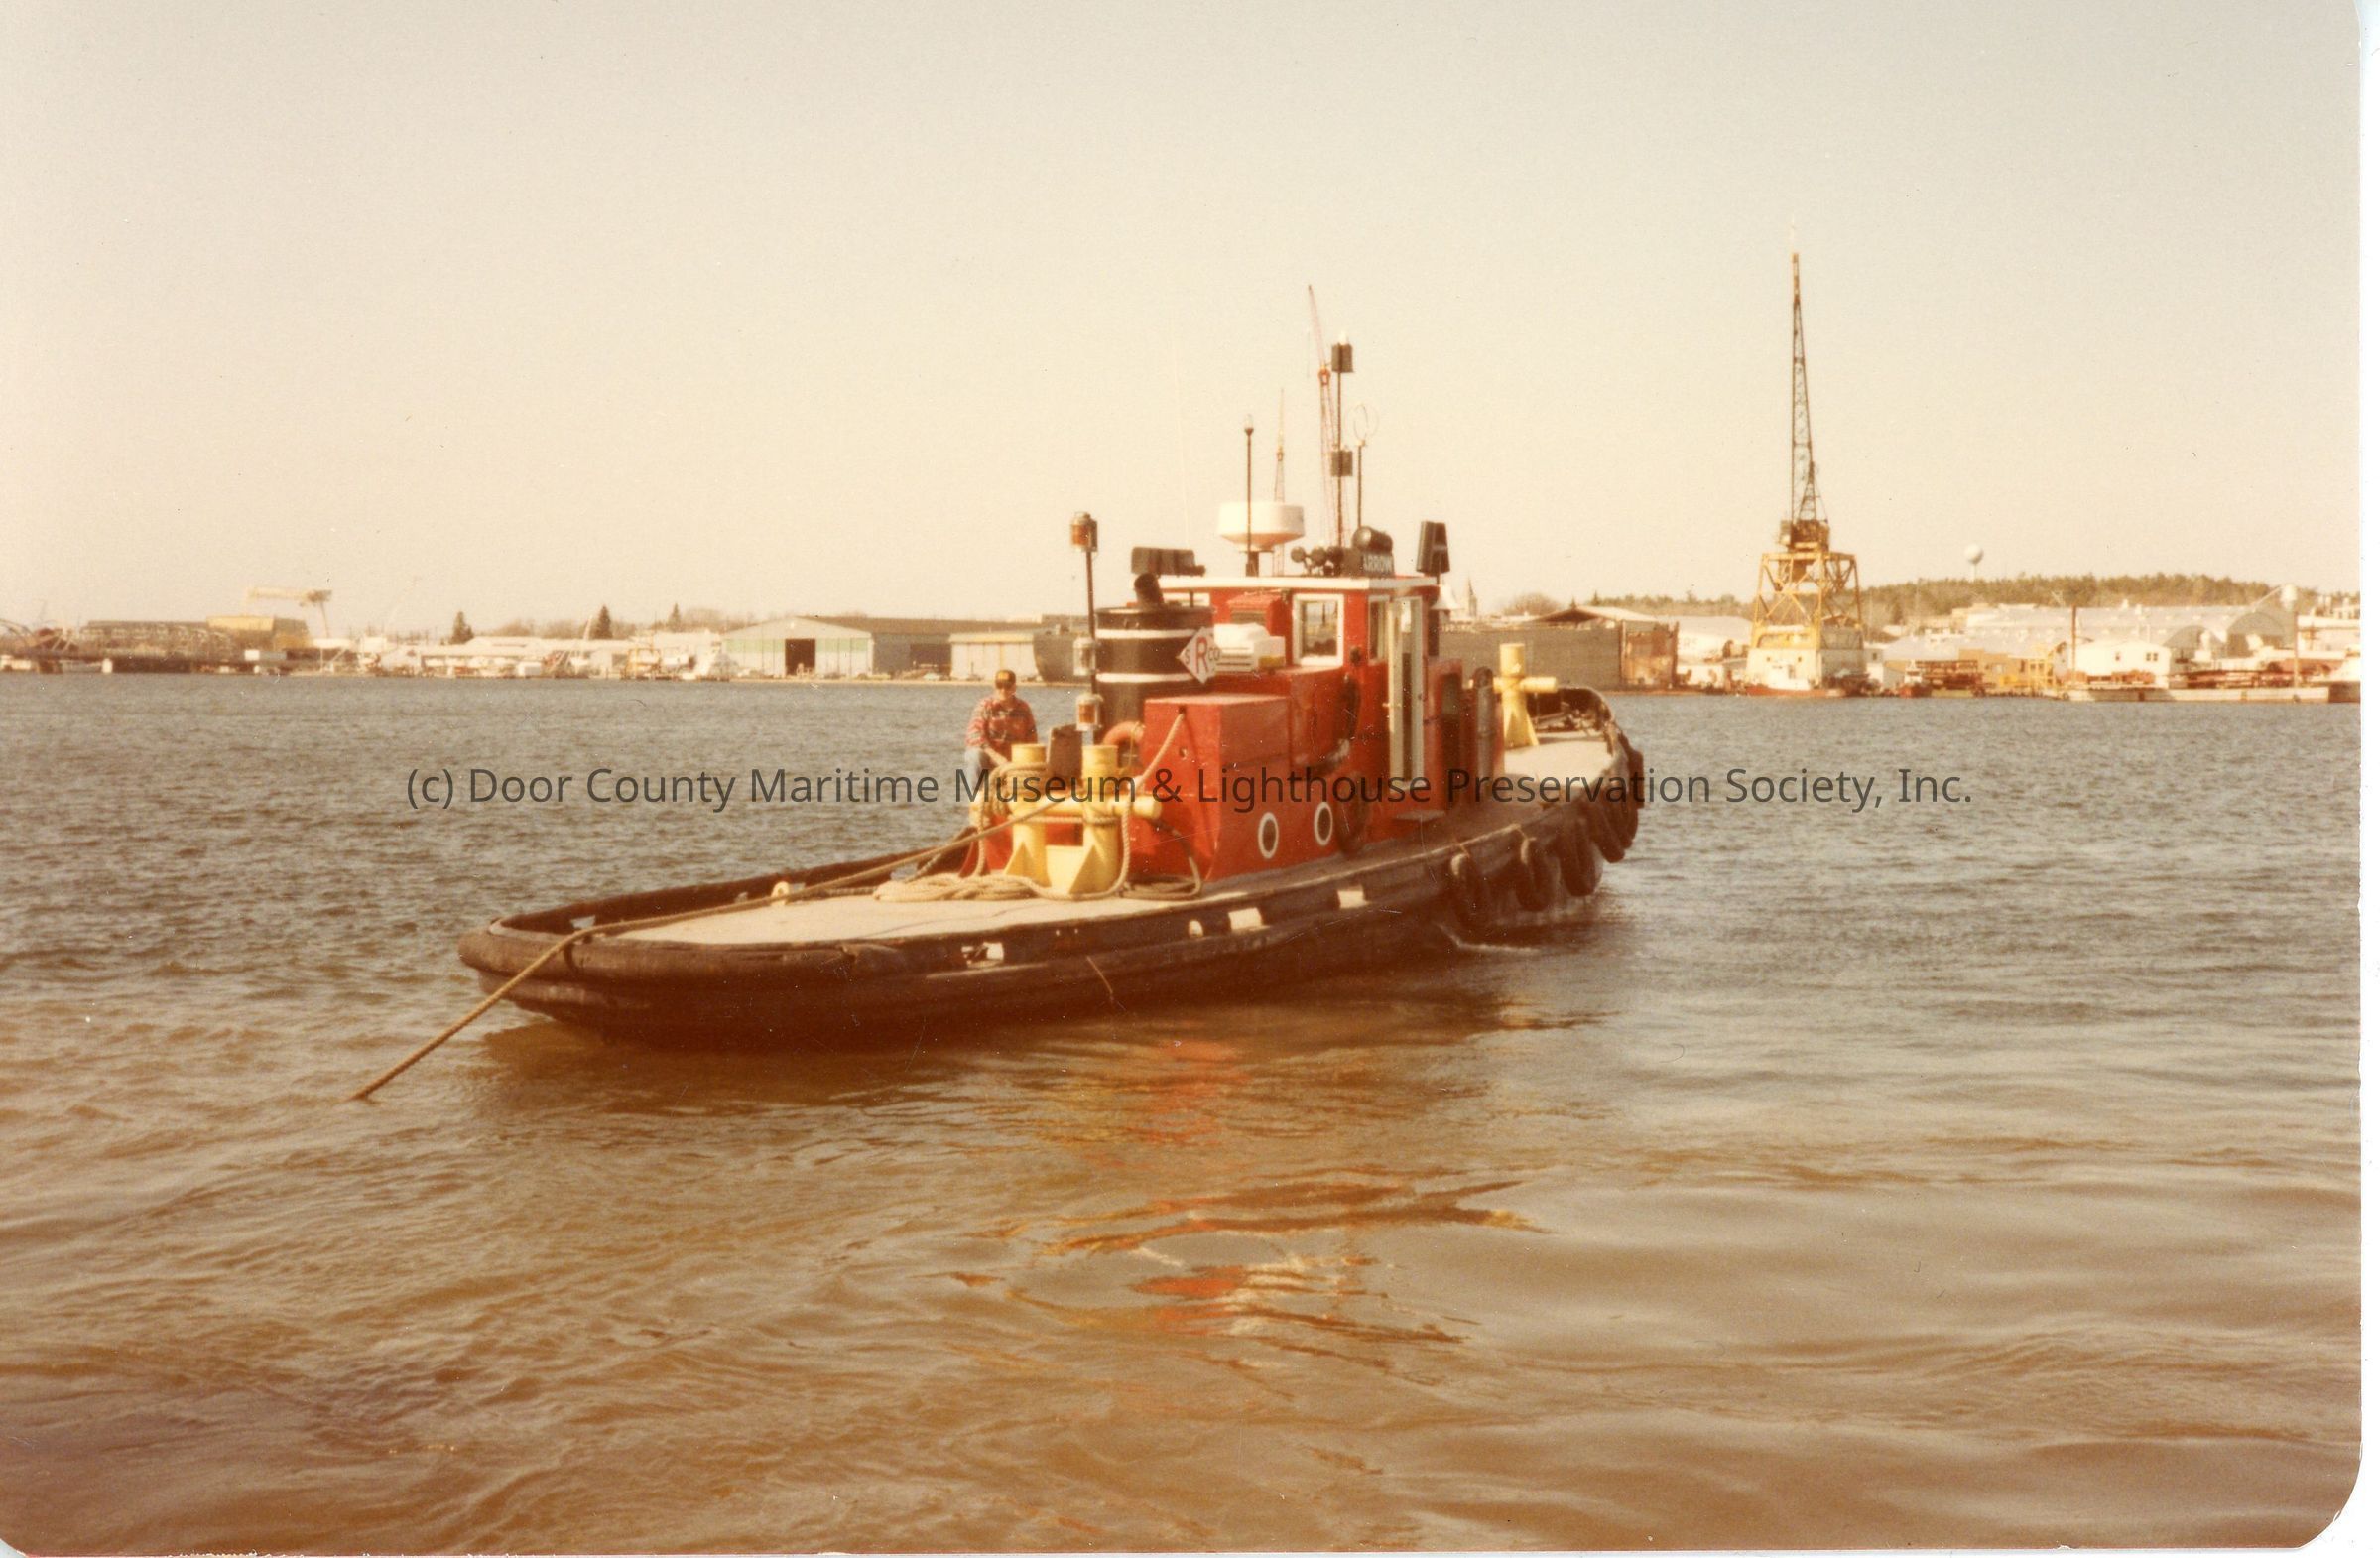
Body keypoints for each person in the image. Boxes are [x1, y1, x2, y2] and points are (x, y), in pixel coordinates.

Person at [963, 668, 1038, 781]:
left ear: (1014, 688)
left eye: (1007, 686)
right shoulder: (985, 705)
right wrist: (995, 756)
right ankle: (976, 791)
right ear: (994, 686)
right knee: (975, 755)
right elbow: (974, 735)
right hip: (988, 758)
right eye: (999, 685)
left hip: (1012, 762)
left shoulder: (1024, 708)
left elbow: (1032, 738)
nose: (1003, 690)